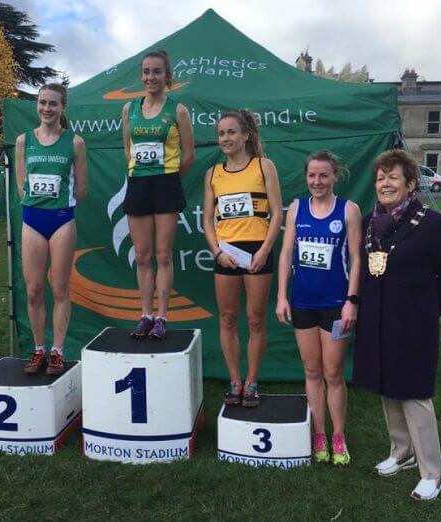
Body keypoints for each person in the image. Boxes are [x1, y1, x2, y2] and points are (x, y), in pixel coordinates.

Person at [353, 150, 441, 500]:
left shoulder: (433, 224)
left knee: (414, 392)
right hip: (379, 319)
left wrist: (427, 310)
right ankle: (403, 450)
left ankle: (433, 470)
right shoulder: (370, 222)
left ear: (411, 183)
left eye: (393, 177)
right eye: (381, 177)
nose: (385, 183)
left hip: (414, 322)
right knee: (387, 386)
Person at [276, 150, 362, 465]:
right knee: (312, 370)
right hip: (302, 303)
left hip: (335, 306)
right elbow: (286, 254)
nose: (317, 181)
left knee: (333, 372)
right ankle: (319, 433)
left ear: (334, 176)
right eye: (312, 175)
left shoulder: (349, 211)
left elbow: (356, 259)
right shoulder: (297, 208)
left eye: (323, 175)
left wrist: (351, 301)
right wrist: (281, 296)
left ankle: (339, 436)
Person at [203, 110, 283, 407]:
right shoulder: (213, 173)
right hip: (226, 255)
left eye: (231, 132)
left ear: (246, 135)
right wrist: (217, 252)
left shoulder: (264, 166)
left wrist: (264, 250)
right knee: (227, 318)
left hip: (258, 252)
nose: (226, 138)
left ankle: (252, 382)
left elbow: (277, 213)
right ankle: (234, 380)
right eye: (221, 133)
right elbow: (207, 222)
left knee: (255, 320)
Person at [122, 49, 195, 340]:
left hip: (166, 183)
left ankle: (162, 315)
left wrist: (168, 177)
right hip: (138, 184)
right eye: (146, 72)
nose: (151, 77)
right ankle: (145, 314)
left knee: (163, 255)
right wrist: (142, 171)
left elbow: (188, 155)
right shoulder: (129, 109)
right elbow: (127, 149)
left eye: (157, 72)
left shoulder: (178, 110)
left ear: (167, 77)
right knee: (142, 255)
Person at [15, 83, 87, 375]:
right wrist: (36, 202)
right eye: (42, 103)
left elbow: (81, 188)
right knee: (33, 290)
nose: (47, 108)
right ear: (37, 106)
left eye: (53, 104)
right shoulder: (24, 141)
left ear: (62, 107)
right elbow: (22, 185)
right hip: (32, 219)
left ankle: (57, 350)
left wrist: (60, 205)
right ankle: (38, 349)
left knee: (59, 288)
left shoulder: (74, 142)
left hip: (61, 220)